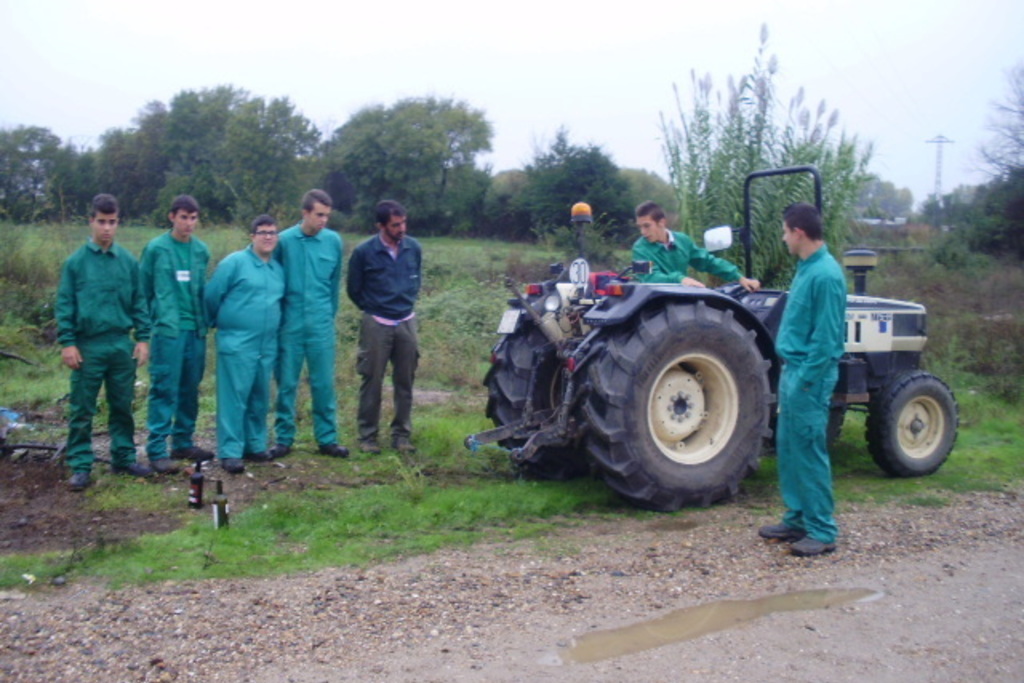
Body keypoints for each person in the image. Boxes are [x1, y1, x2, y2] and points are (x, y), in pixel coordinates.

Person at [758, 202, 847, 557]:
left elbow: (827, 340)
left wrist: (807, 380)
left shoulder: (826, 275)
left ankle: (822, 530)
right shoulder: (806, 268)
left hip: (810, 375)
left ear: (799, 232)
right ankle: (797, 519)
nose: (782, 239)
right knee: (790, 448)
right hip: (793, 371)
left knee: (808, 449)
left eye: (784, 232)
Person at [56, 194, 153, 491]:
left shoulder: (127, 261)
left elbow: (139, 302)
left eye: (112, 222)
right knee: (83, 408)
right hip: (88, 346)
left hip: (120, 344)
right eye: (101, 222)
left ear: (118, 222)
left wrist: (144, 338)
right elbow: (65, 304)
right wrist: (68, 342)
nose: (107, 228)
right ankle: (81, 464)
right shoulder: (76, 263)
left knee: (122, 404)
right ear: (92, 222)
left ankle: (123, 458)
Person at [269, 189, 348, 459]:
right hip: (289, 323)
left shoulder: (333, 242)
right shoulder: (285, 241)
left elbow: (335, 283)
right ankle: (284, 438)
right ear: (305, 213)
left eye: (327, 215)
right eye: (319, 215)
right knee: (287, 383)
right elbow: (272, 278)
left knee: (323, 383)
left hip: (321, 323)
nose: (323, 220)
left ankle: (327, 439)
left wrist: (328, 316)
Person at [204, 215, 285, 474]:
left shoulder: (277, 269)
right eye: (262, 232)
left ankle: (255, 445)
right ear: (252, 236)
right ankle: (230, 451)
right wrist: (221, 326)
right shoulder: (235, 263)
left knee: (259, 396)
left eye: (272, 232)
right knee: (234, 397)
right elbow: (211, 296)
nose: (268, 236)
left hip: (266, 344)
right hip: (237, 342)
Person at [139, 195, 213, 474]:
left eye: (193, 218)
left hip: (195, 329)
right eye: (184, 217)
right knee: (164, 387)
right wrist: (144, 330)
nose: (188, 223)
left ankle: (182, 441)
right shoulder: (156, 248)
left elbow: (204, 289)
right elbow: (143, 290)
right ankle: (157, 449)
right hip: (167, 330)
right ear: (172, 217)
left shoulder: (201, 251)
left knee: (190, 387)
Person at [346, 200, 422, 454]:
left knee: (405, 380)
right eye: (395, 225)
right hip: (377, 323)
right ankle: (368, 436)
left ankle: (401, 435)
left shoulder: (413, 248)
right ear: (381, 226)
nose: (402, 228)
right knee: (372, 380)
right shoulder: (364, 252)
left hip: (406, 321)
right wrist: (374, 308)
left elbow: (416, 280)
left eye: (403, 223)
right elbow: (354, 290)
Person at [631, 201, 761, 292]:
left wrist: (739, 277)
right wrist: (680, 279)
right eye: (640, 227)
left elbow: (707, 261)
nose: (643, 232)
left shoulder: (682, 240)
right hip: (656, 303)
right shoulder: (638, 249)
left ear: (661, 222)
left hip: (682, 298)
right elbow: (650, 279)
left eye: (647, 226)